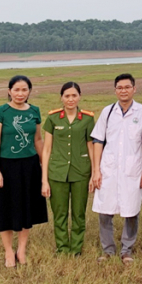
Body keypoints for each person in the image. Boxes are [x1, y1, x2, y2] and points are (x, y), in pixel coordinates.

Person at [0, 75, 47, 268]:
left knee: (27, 208)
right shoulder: (0, 112)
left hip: (30, 166)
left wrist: (44, 168)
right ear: (9, 91)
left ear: (29, 92)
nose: (20, 94)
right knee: (6, 209)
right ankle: (9, 251)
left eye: (24, 90)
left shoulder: (34, 111)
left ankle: (22, 249)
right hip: (6, 167)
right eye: (16, 90)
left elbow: (38, 140)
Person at [91, 73, 142, 265]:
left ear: (134, 89)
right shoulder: (107, 112)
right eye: (120, 87)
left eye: (127, 87)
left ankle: (127, 250)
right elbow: (98, 141)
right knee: (104, 210)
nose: (123, 91)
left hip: (133, 169)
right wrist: (96, 170)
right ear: (115, 90)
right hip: (108, 168)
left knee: (131, 210)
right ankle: (108, 250)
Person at [40, 82, 96, 256]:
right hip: (57, 173)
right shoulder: (53, 118)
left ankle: (76, 248)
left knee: (79, 213)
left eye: (74, 95)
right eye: (67, 96)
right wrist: (44, 180)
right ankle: (63, 248)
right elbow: (47, 149)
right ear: (61, 98)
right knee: (60, 213)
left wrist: (95, 173)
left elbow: (91, 147)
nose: (70, 99)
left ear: (79, 96)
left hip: (81, 172)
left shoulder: (87, 119)